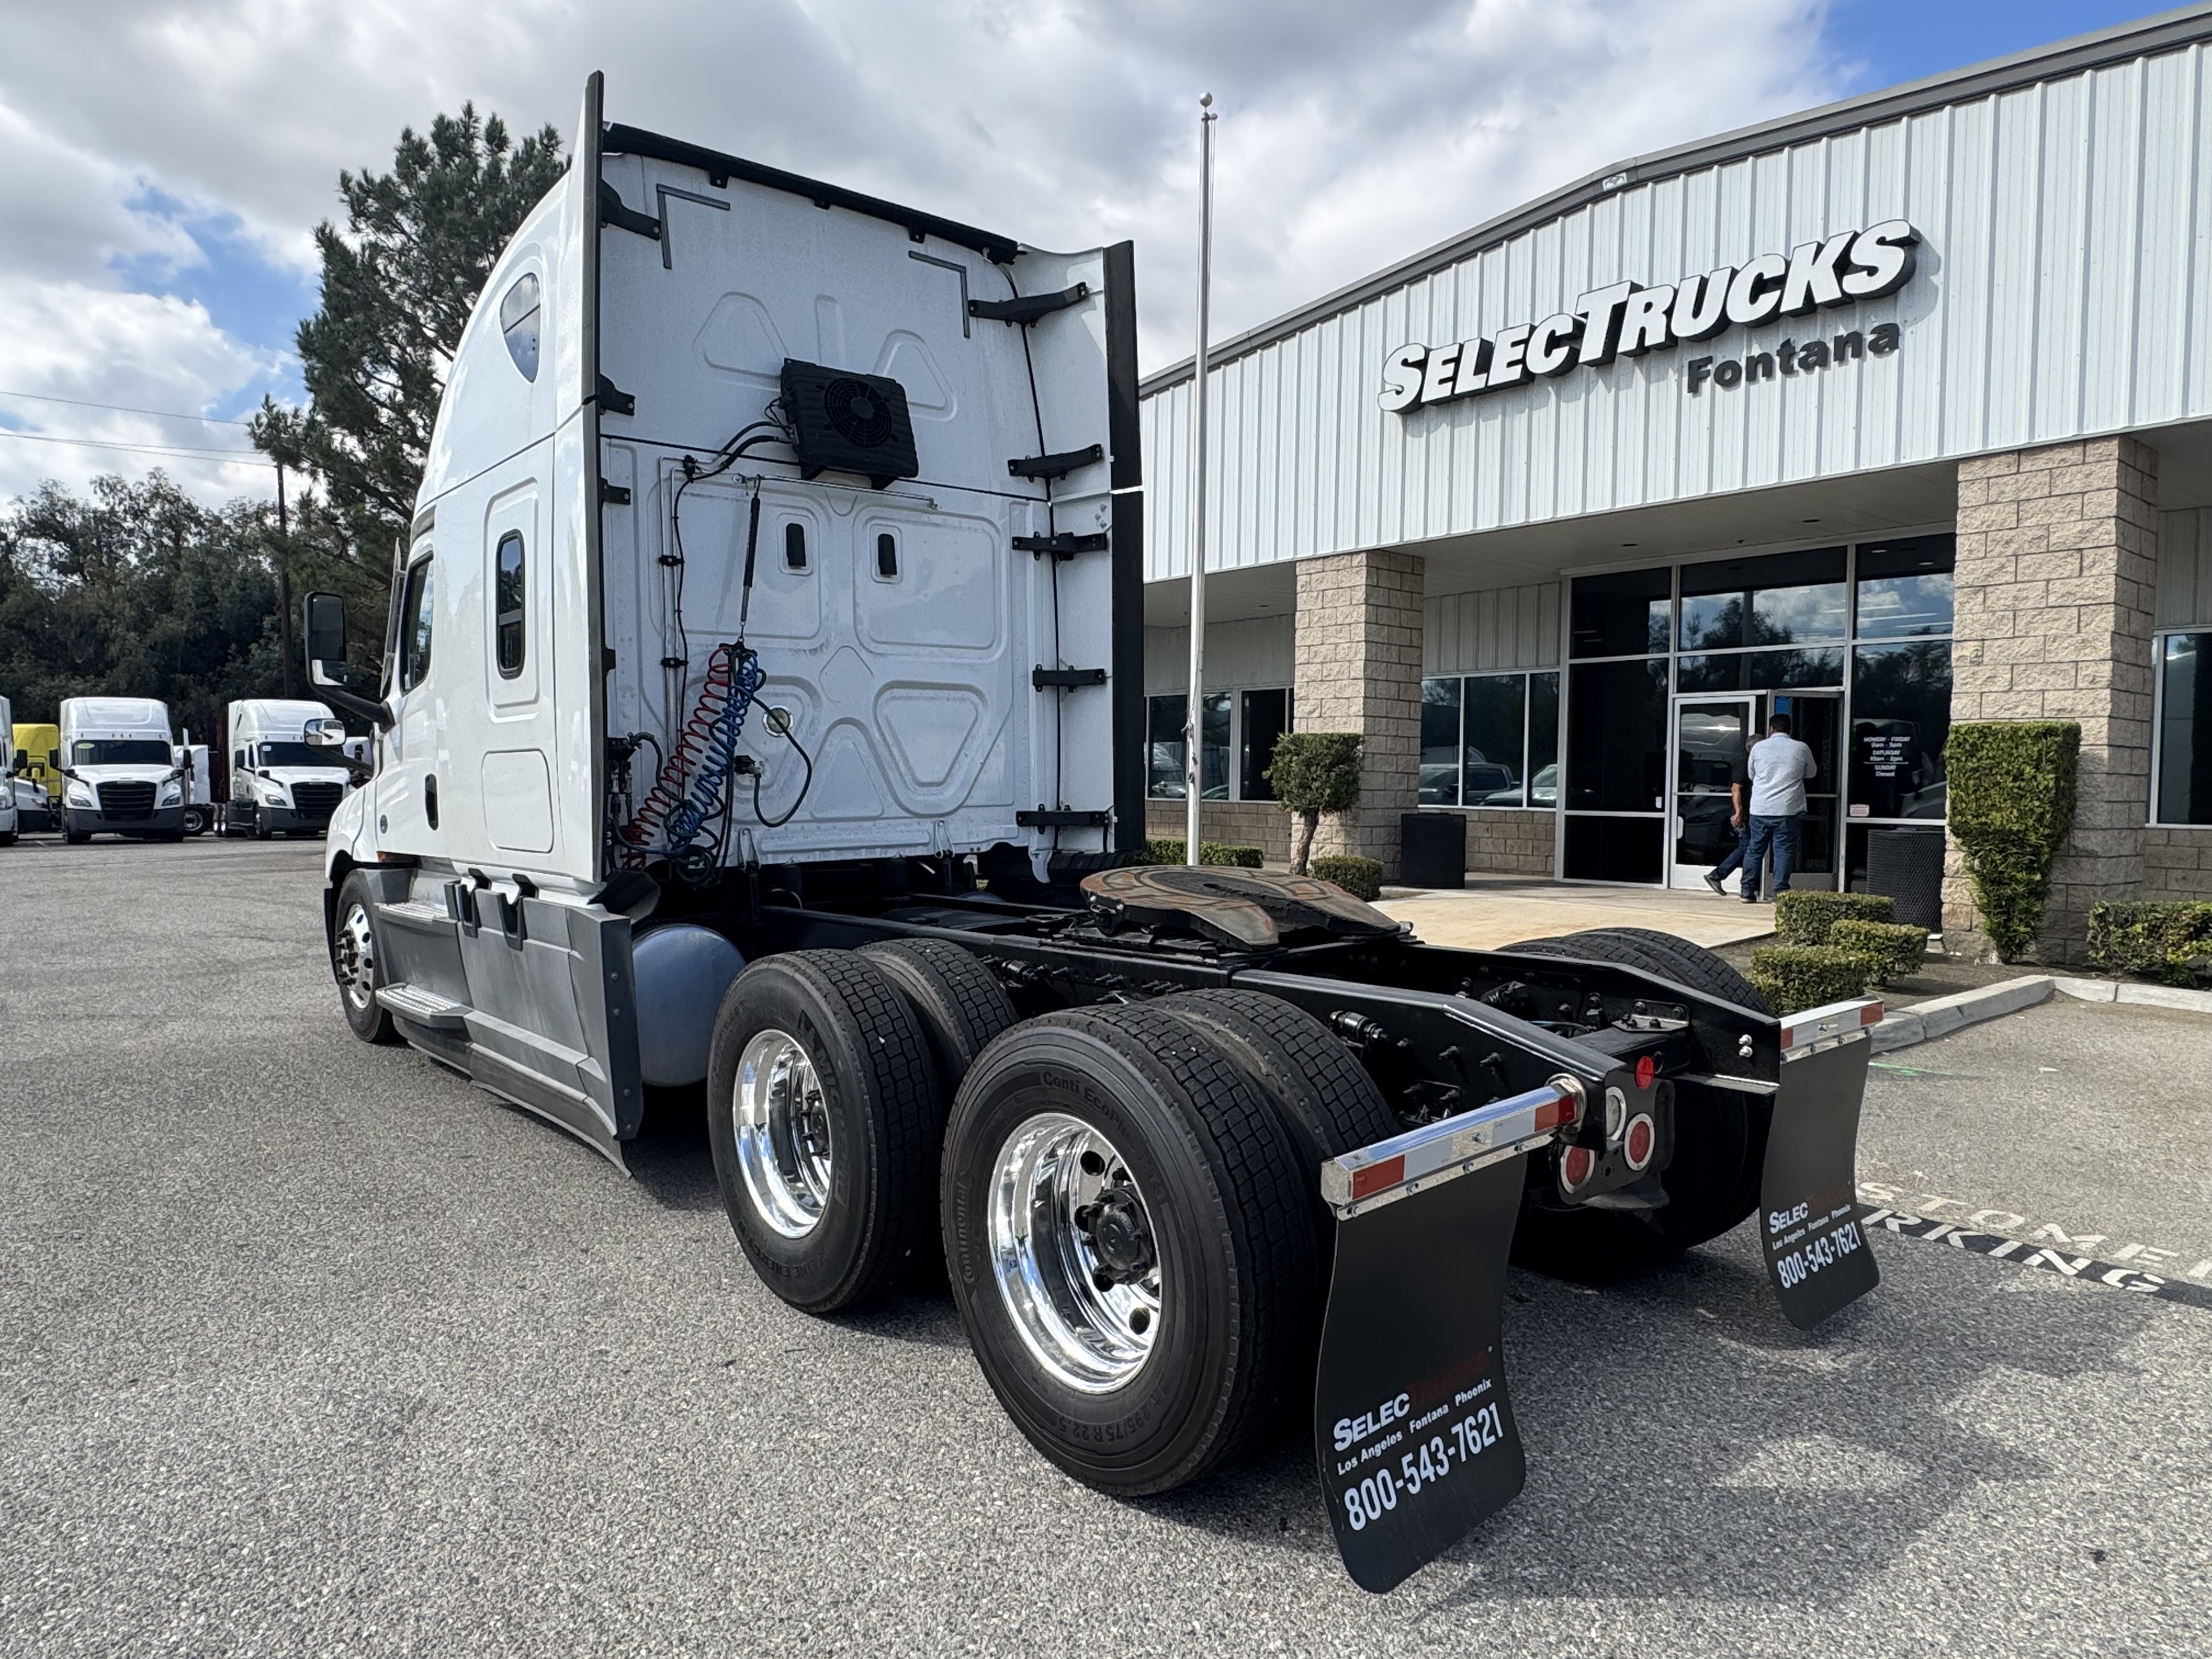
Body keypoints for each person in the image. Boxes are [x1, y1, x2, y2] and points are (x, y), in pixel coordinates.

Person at [1709, 711, 1816, 903]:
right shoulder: (1801, 748)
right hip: (1787, 808)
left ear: (1771, 728)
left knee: (1754, 849)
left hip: (1760, 807)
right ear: (1790, 729)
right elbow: (1811, 773)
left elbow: (1751, 774)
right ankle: (1781, 892)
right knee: (1783, 850)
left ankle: (1747, 892)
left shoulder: (1759, 749)